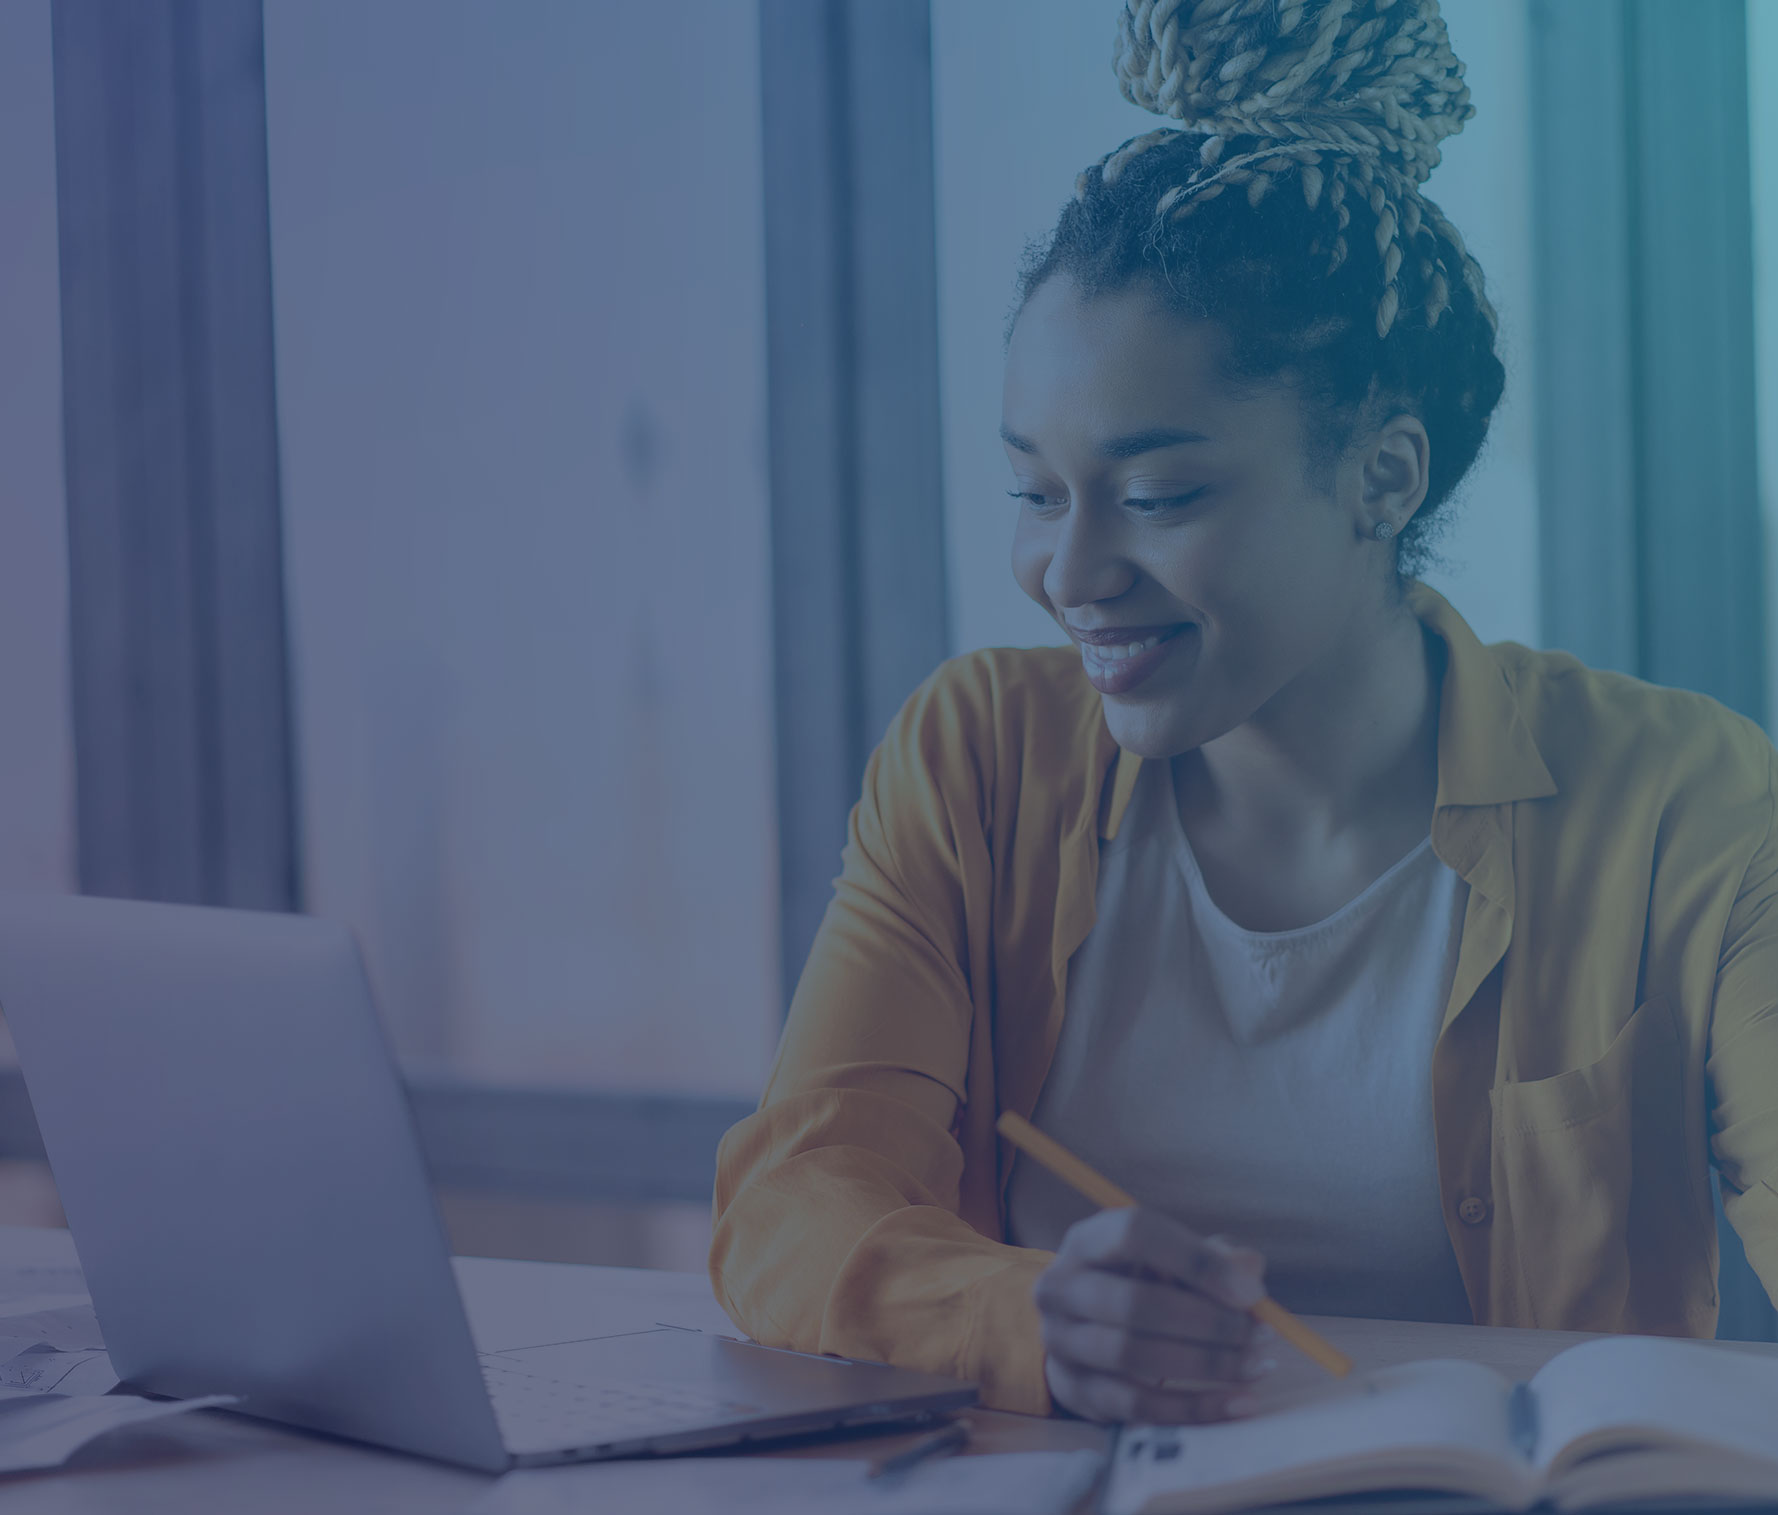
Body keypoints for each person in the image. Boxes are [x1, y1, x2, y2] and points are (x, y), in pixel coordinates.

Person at [709, 0, 1778, 1425]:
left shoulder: (1681, 802)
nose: (1070, 574)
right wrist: (1016, 1313)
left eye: (1157, 497)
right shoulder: (973, 759)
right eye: (1034, 492)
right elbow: (795, 1197)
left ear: (1381, 478)